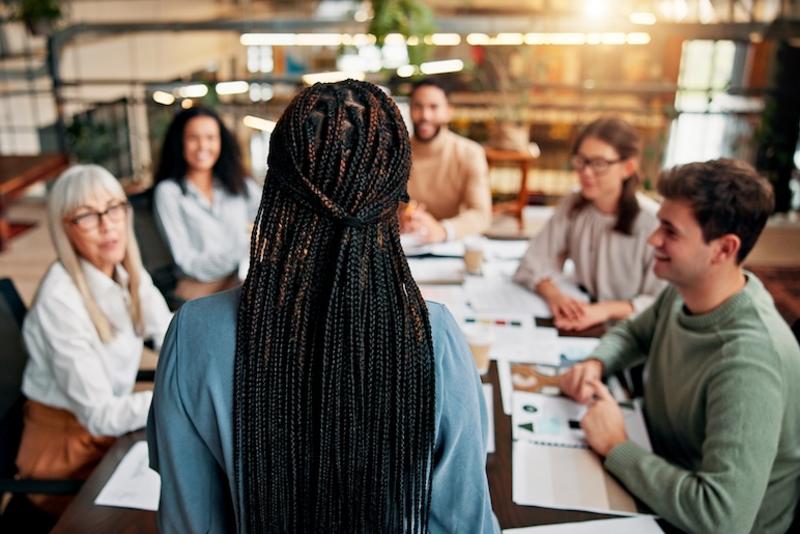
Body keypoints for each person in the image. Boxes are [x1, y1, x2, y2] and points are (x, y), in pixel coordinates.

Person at [147, 80, 498, 533]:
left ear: (274, 187)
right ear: (395, 196)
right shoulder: (434, 335)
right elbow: (466, 526)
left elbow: (188, 524)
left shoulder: (193, 333)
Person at [561, 159, 800, 533]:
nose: (653, 239)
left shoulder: (750, 361)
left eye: (670, 232)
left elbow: (722, 518)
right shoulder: (683, 292)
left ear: (723, 249)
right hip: (658, 469)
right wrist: (595, 364)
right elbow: (633, 334)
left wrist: (617, 447)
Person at [17, 165, 172, 517]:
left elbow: (170, 337)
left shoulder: (125, 272)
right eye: (87, 215)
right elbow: (100, 415)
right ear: (64, 228)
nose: (108, 224)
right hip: (66, 449)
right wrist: (175, 397)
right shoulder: (60, 299)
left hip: (108, 433)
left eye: (114, 208)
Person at [514, 117, 666, 331]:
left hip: (631, 331)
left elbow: (664, 301)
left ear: (628, 167)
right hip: (582, 320)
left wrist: (605, 310)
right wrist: (554, 295)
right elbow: (532, 262)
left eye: (599, 164)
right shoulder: (573, 204)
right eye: (581, 161)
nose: (586, 172)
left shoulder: (652, 223)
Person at [153, 106, 261, 300]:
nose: (203, 146)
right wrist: (241, 252)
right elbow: (187, 262)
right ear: (180, 143)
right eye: (193, 138)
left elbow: (270, 214)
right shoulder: (169, 193)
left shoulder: (238, 183)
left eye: (211, 138)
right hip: (201, 295)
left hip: (240, 286)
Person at [401, 78, 492, 243]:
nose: (425, 116)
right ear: (410, 110)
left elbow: (481, 214)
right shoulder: (394, 153)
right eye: (418, 106)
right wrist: (400, 220)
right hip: (403, 245)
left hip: (450, 244)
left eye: (434, 107)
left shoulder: (469, 153)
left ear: (449, 111)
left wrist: (443, 230)